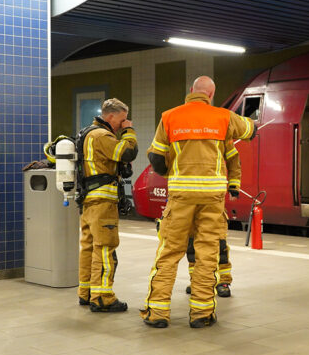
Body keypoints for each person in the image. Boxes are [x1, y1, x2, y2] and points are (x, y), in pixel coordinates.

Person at [140, 76, 255, 328]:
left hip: (181, 194)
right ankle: (202, 313)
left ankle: (158, 312)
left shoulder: (170, 116)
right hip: (212, 197)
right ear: (211, 95)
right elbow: (250, 130)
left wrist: (175, 172)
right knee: (207, 253)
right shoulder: (223, 117)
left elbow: (156, 158)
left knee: (169, 252)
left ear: (191, 91)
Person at [77, 98, 138, 312]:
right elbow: (127, 153)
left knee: (89, 247)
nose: (123, 123)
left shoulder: (88, 133)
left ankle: (86, 291)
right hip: (102, 202)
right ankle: (103, 297)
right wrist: (129, 132)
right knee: (105, 248)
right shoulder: (102, 135)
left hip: (89, 200)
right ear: (110, 116)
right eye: (121, 120)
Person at [185, 138, 241, 298]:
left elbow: (233, 158)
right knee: (192, 245)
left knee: (219, 245)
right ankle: (196, 280)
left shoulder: (220, 133)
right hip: (188, 202)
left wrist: (234, 186)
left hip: (213, 201)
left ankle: (223, 282)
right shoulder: (185, 134)